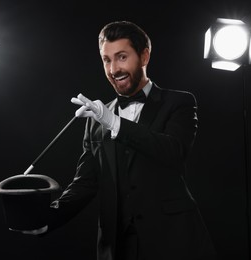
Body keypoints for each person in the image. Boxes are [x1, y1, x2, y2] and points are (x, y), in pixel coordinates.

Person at [24, 20, 216, 260]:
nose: (114, 69)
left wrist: (114, 123)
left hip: (173, 241)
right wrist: (48, 219)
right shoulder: (96, 118)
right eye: (107, 59)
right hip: (116, 247)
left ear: (144, 56)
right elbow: (85, 183)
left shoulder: (179, 103)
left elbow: (172, 152)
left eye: (122, 57)